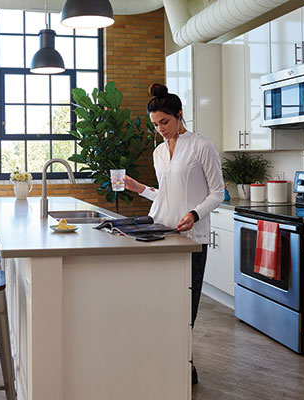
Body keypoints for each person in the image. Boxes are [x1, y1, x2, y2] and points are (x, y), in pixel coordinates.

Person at [122, 83, 224, 385]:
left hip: (191, 239)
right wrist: (140, 189)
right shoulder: (158, 153)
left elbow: (218, 193)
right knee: (162, 302)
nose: (161, 129)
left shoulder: (201, 146)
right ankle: (166, 358)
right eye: (155, 125)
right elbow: (165, 196)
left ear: (179, 115)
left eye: (164, 122)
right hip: (162, 234)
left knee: (186, 303)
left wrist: (194, 214)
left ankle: (184, 361)